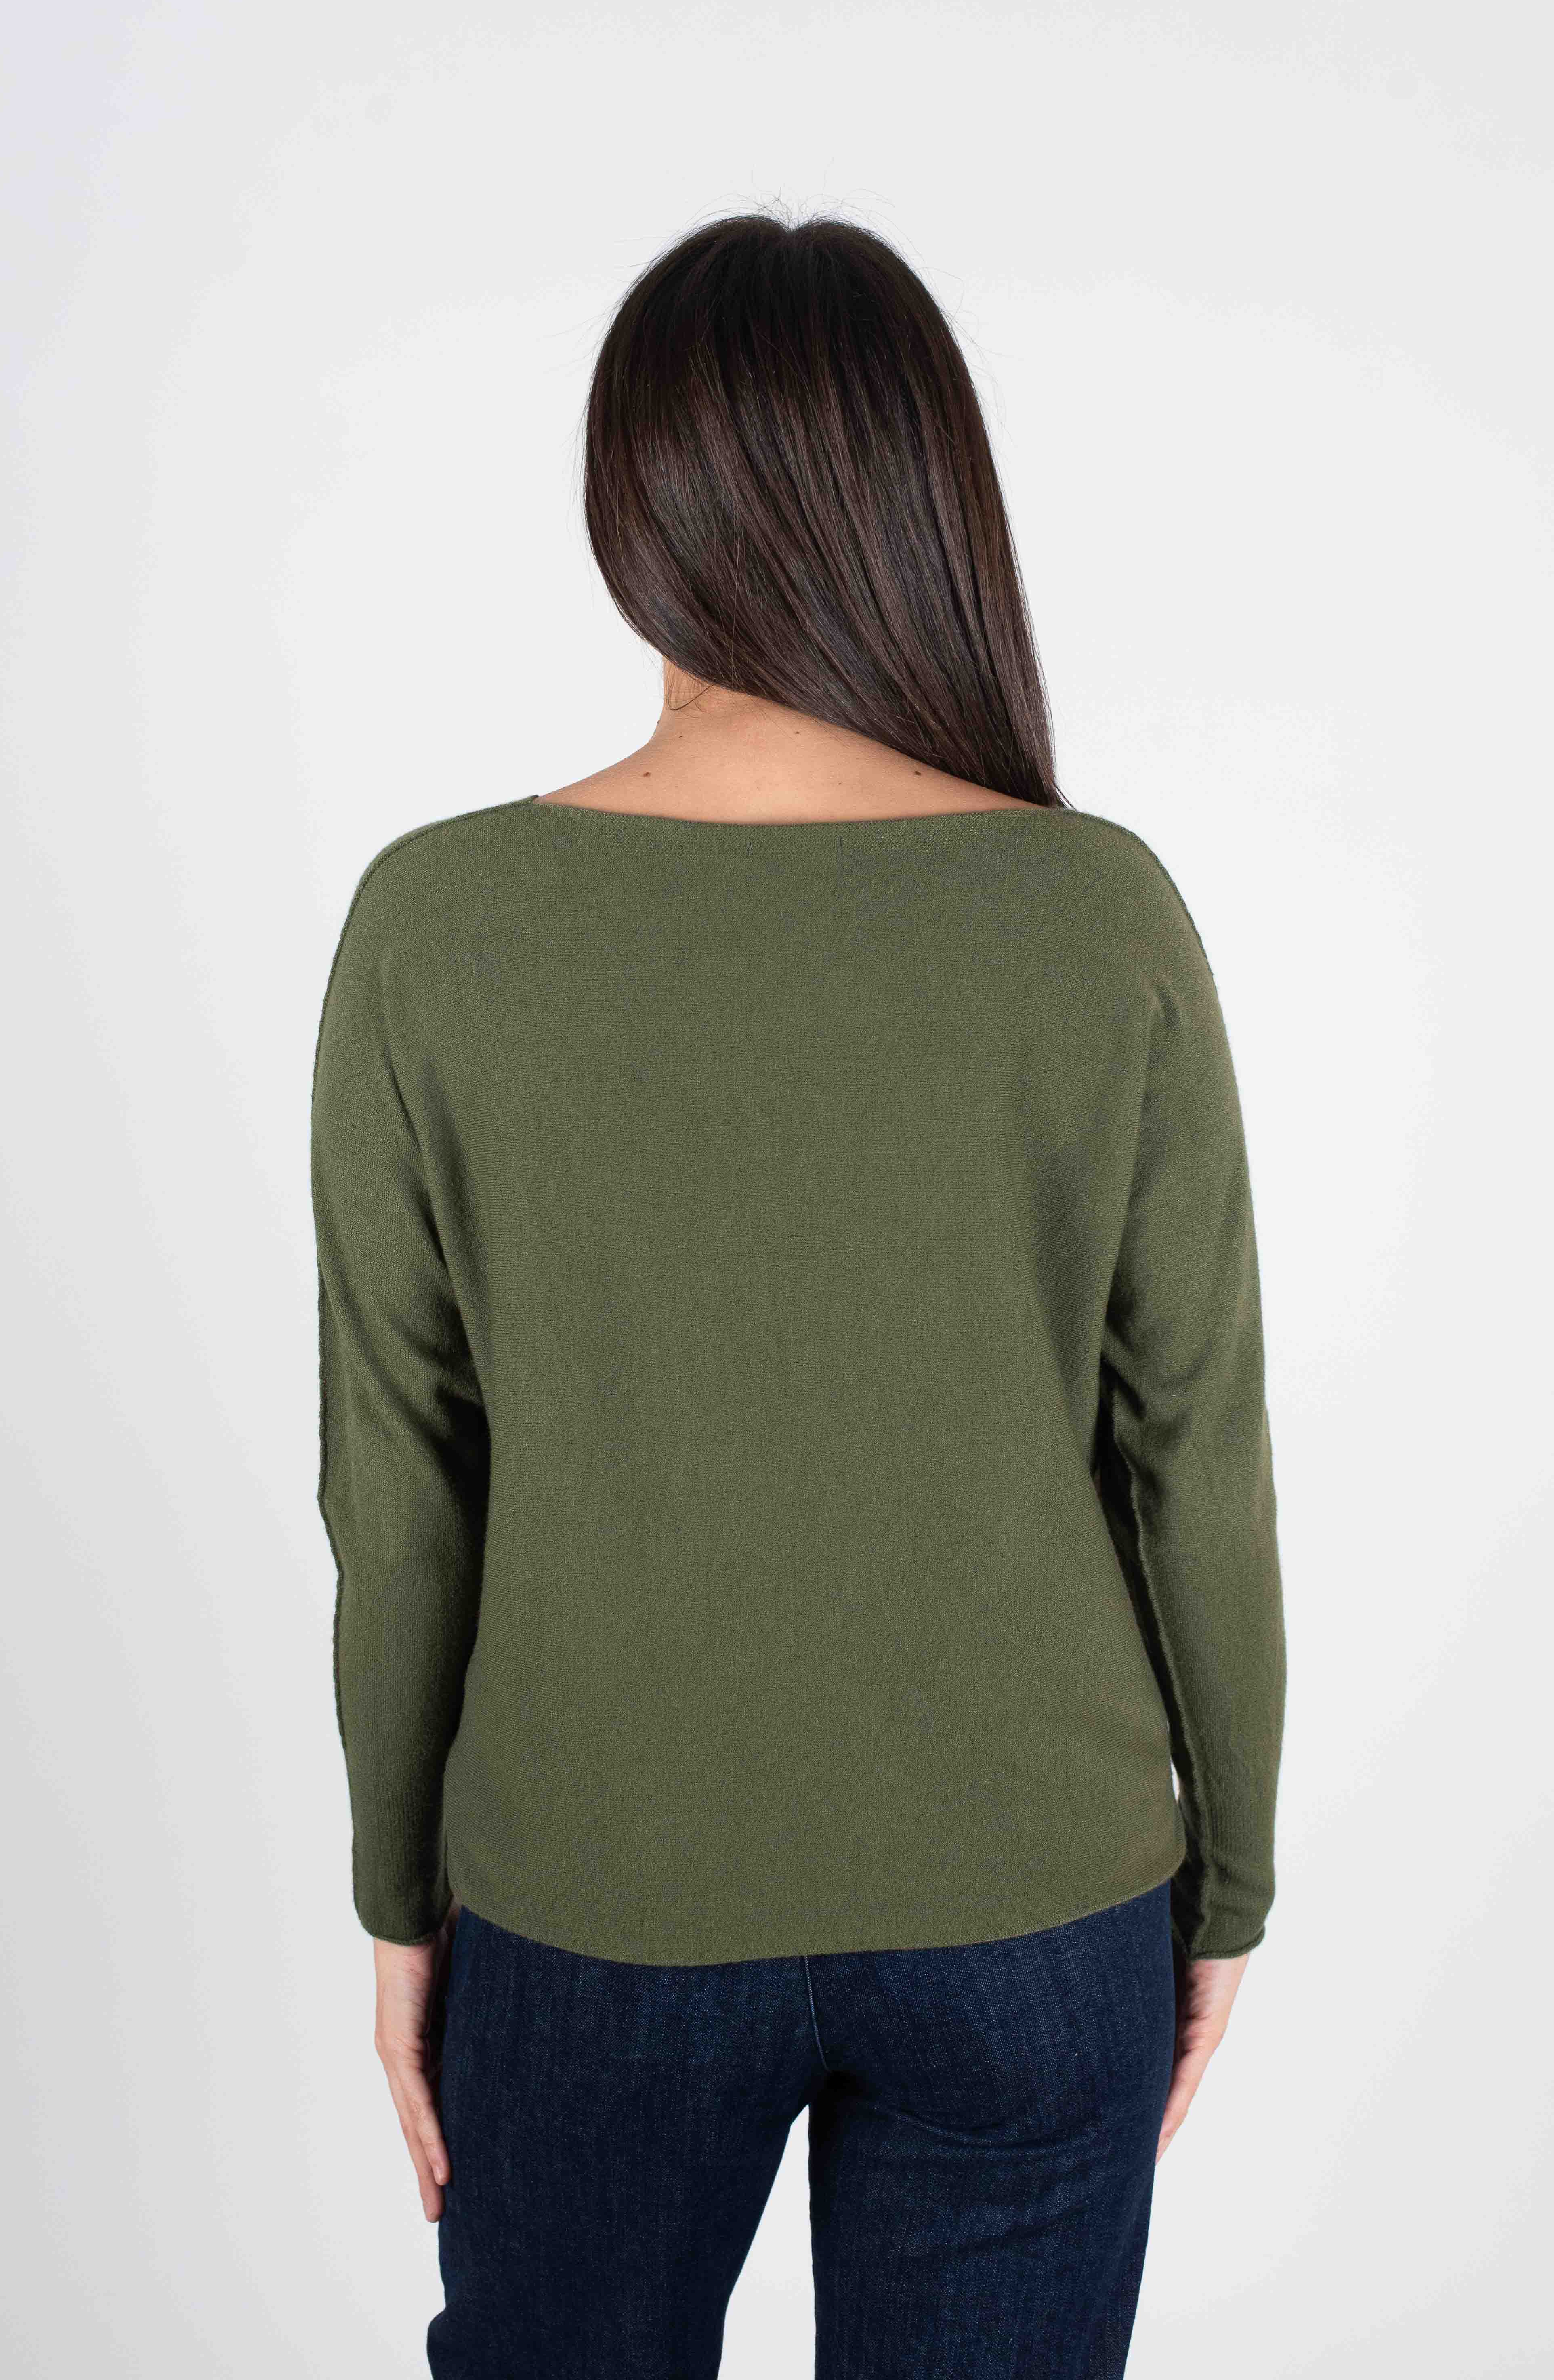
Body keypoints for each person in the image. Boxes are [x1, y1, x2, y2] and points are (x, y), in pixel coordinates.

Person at [310, 211, 1286, 2379]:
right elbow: (1197, 1456)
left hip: (593, 1898)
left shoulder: (437, 924)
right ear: (928, 500)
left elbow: (398, 1480)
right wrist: (1227, 1878)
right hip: (1040, 1907)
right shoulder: (1097, 915)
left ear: (631, 507)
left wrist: (398, 1894)